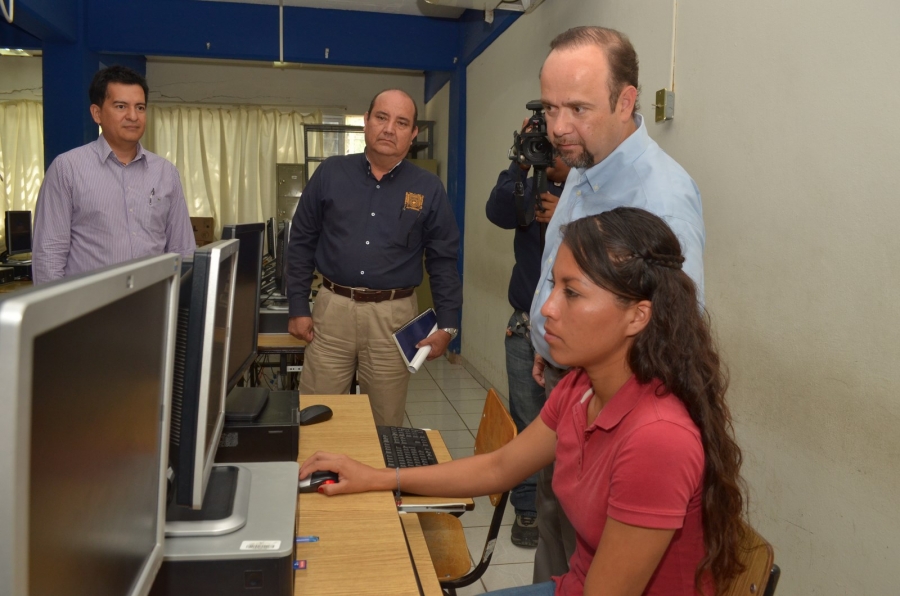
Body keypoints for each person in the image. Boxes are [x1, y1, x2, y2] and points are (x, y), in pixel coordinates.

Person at [300, 208, 746, 596]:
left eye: (571, 293)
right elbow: (498, 468)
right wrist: (377, 477)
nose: (547, 308)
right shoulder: (580, 388)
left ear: (637, 315)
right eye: (553, 286)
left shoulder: (657, 439)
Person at [528, 26, 707, 581]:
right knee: (558, 559)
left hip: (618, 436)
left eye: (577, 108)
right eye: (550, 108)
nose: (559, 128)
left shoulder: (659, 197)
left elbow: (675, 333)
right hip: (575, 398)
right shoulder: (586, 168)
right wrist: (551, 344)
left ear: (626, 100)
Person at [287, 89, 462, 427]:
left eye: (401, 123)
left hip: (393, 320)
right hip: (332, 312)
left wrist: (448, 324)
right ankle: (316, 478)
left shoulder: (428, 187)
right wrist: (297, 306)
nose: (388, 129)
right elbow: (301, 242)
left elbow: (442, 259)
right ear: (366, 122)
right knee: (314, 415)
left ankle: (376, 480)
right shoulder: (330, 173)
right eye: (381, 117)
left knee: (385, 422)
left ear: (413, 135)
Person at [32, 65, 195, 283]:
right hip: (89, 312)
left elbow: (183, 250)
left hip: (153, 309)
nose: (133, 116)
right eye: (121, 106)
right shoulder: (67, 169)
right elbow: (48, 255)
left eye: (140, 107)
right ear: (97, 113)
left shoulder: (166, 173)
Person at [486, 153, 570, 547]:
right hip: (524, 326)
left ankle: (567, 515)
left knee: (569, 431)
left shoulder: (594, 192)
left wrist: (567, 217)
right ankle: (527, 510)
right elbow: (497, 210)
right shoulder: (529, 187)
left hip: (575, 334)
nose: (550, 149)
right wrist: (518, 161)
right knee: (525, 420)